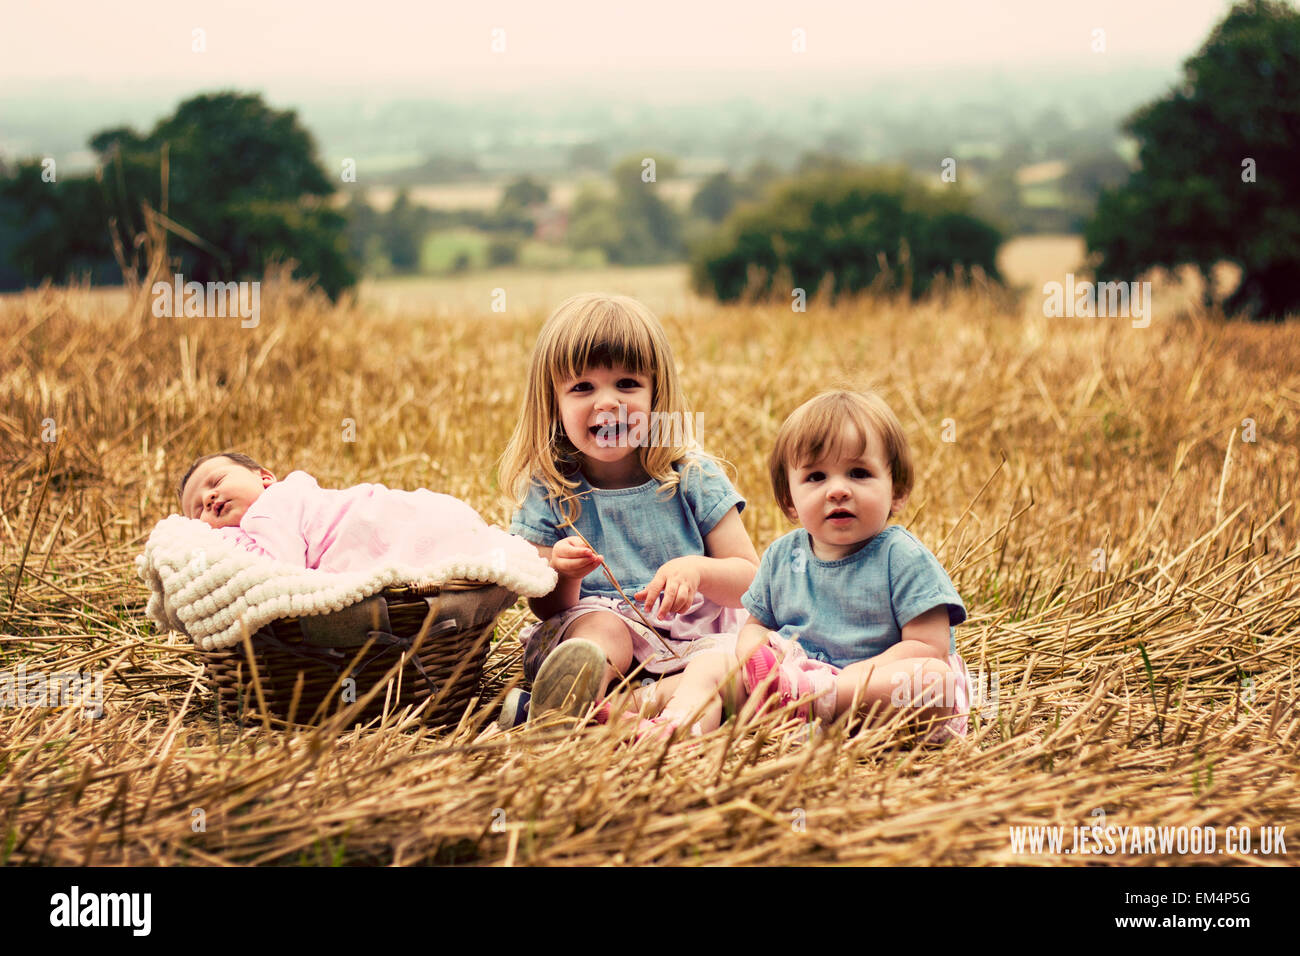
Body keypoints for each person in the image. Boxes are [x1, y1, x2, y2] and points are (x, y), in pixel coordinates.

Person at [645, 389, 971, 743]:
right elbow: (755, 626)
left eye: (858, 473)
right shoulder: (782, 557)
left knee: (934, 682)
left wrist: (844, 683)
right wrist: (759, 658)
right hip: (788, 691)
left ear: (897, 491)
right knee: (710, 667)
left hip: (873, 701)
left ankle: (815, 700)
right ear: (789, 501)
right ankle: (675, 731)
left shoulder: (903, 557)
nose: (838, 490)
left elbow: (928, 645)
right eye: (816, 477)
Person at [497, 292, 759, 727]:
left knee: (735, 665)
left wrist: (698, 571)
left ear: (657, 394)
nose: (607, 402)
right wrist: (563, 572)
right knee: (604, 631)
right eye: (582, 387)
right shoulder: (551, 486)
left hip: (691, 641)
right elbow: (545, 608)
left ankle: (610, 716)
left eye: (627, 384)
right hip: (592, 629)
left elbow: (751, 581)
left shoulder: (690, 474)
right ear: (553, 404)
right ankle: (580, 695)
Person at [176, 451, 521, 573]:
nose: (209, 498)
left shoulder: (270, 507)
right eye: (197, 510)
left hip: (373, 520)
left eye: (216, 481)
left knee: (420, 534)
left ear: (265, 477)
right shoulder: (257, 521)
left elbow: (279, 571)